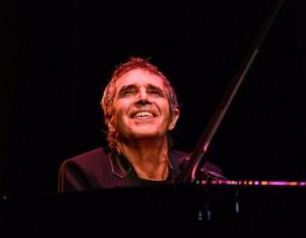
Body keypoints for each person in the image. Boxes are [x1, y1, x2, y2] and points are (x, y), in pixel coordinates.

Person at [58, 57, 224, 191]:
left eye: (154, 92)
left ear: (173, 119)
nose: (143, 98)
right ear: (110, 120)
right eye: (128, 92)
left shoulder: (206, 174)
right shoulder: (84, 171)